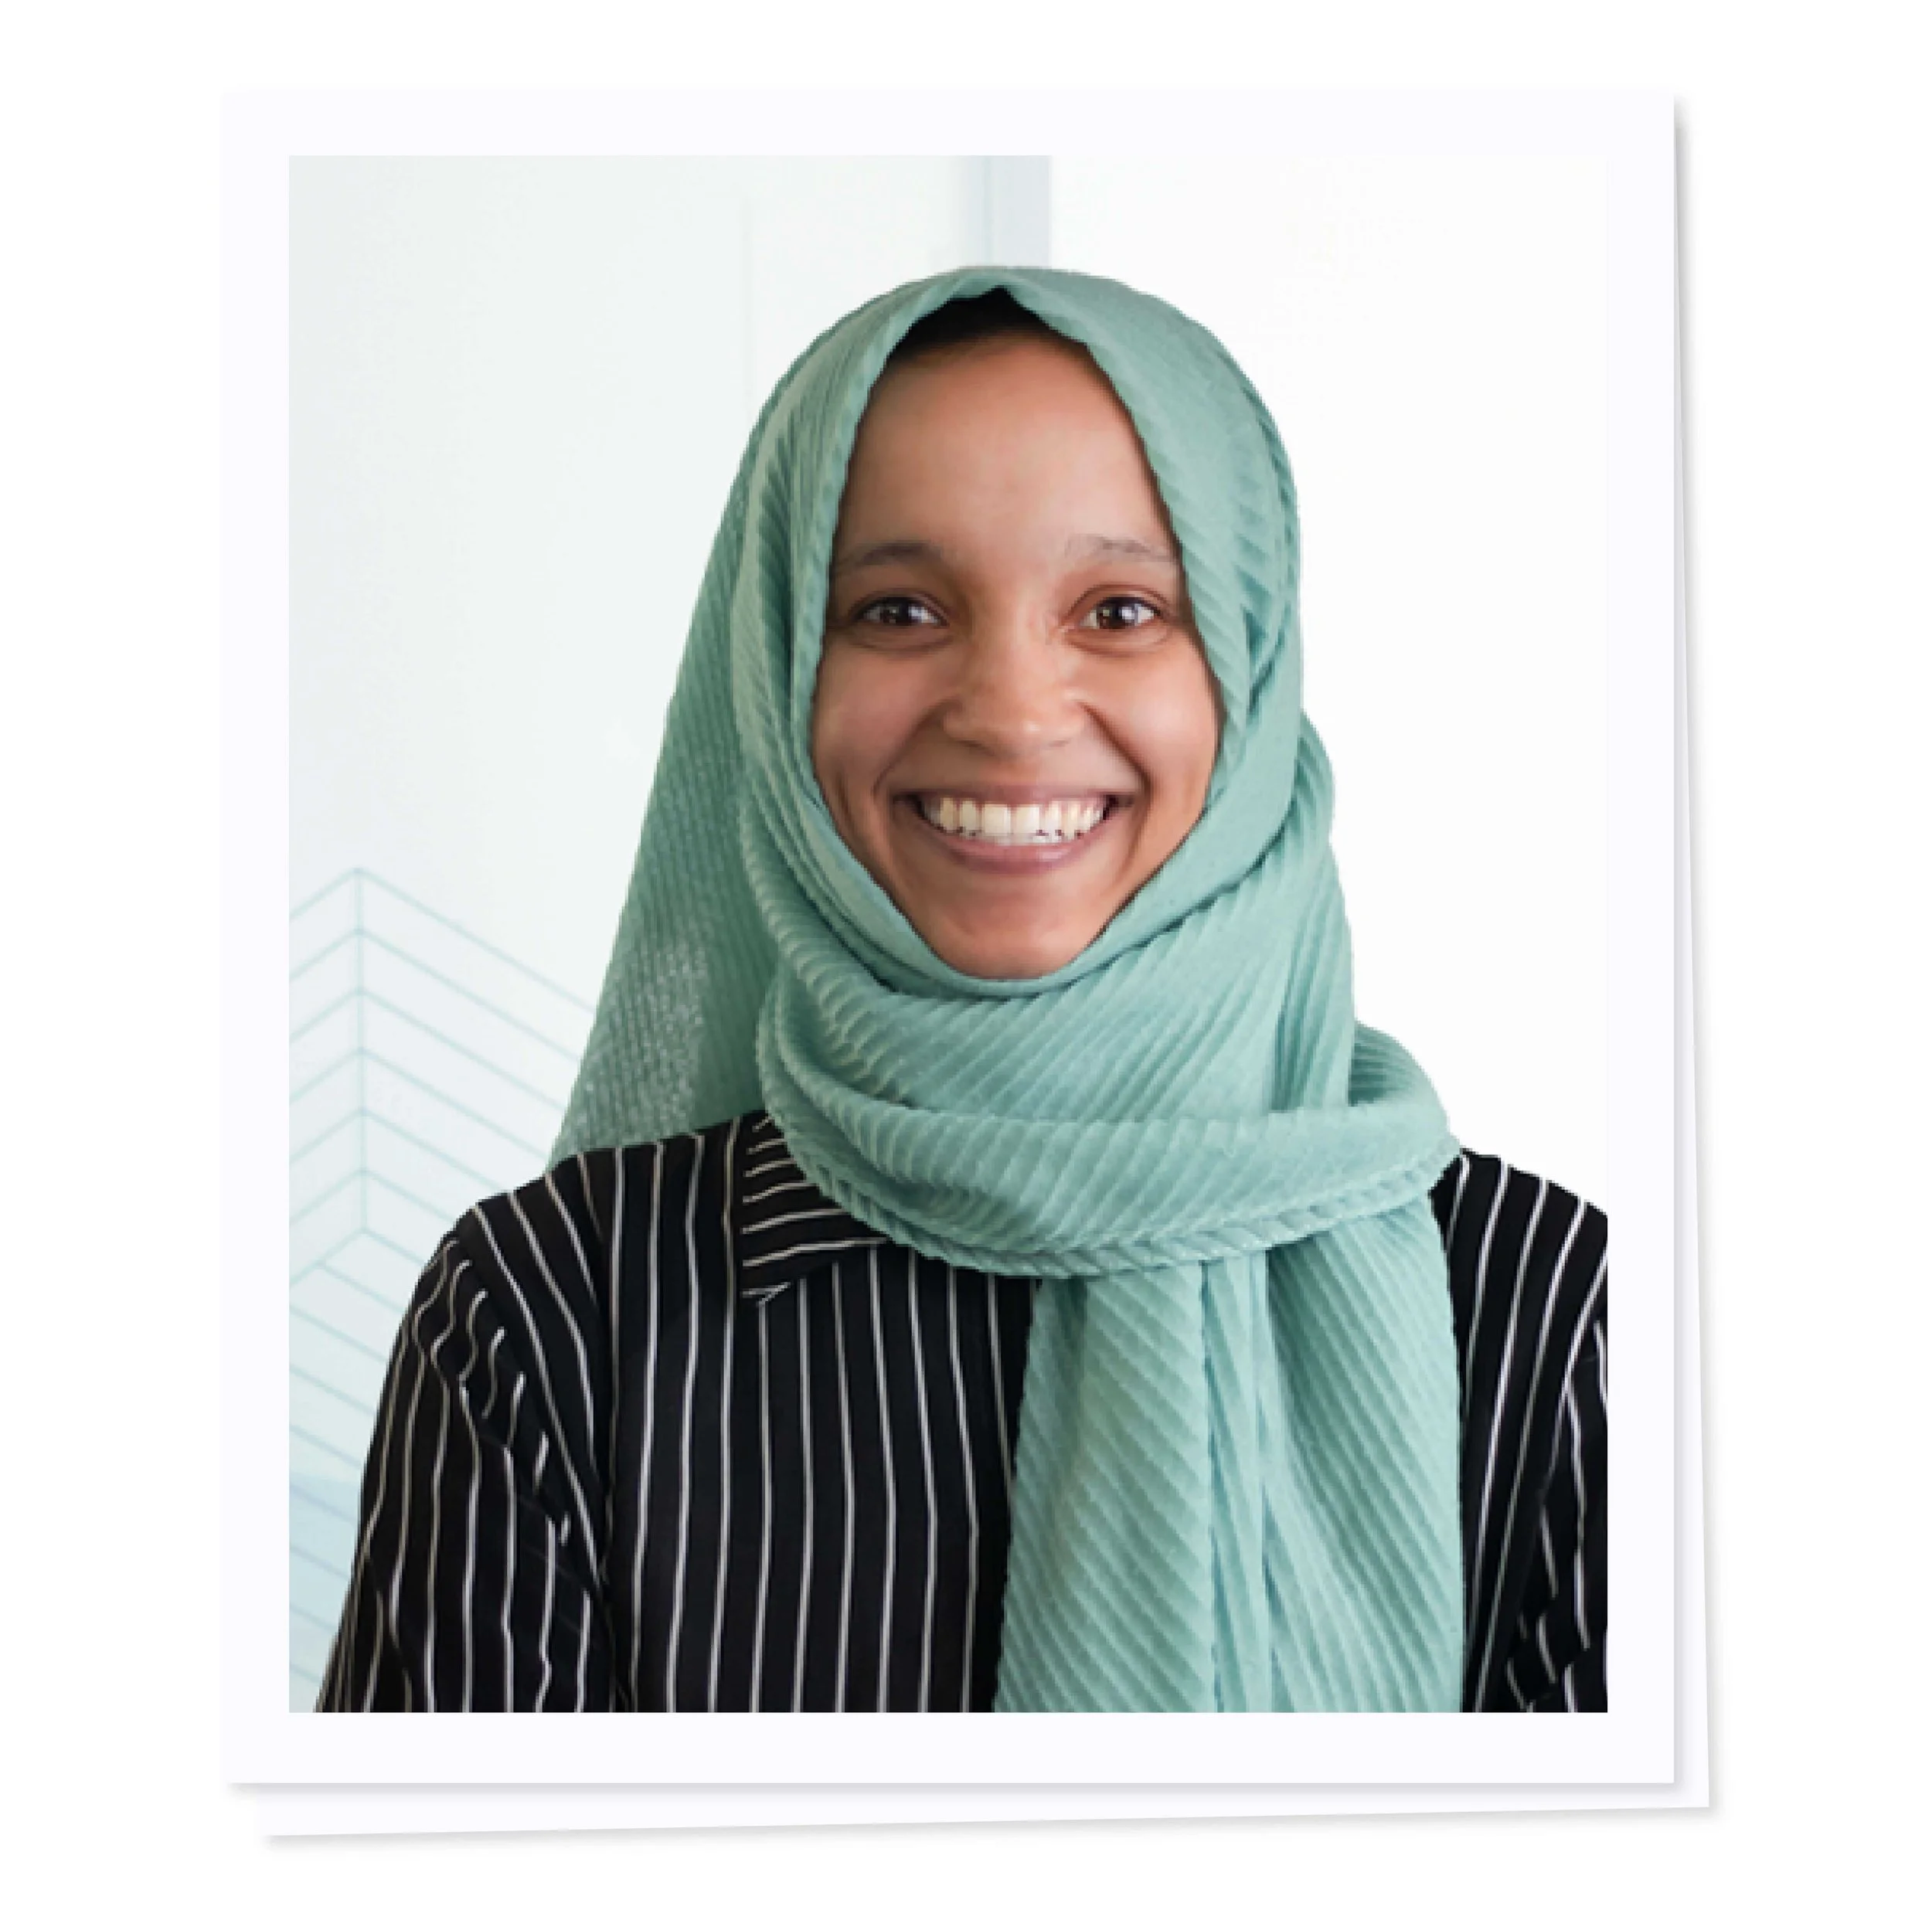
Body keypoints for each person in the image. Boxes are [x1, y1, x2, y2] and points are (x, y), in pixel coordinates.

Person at [316, 268, 1607, 1715]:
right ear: (780, 671)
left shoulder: (1542, 1308)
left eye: (1120, 607)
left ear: (1247, 675)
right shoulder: (551, 1321)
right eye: (899, 608)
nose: (1007, 708)